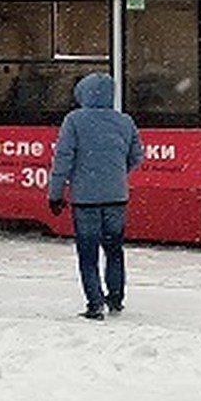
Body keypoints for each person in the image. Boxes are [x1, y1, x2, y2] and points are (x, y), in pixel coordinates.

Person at [48, 72, 144, 320]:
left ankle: (95, 304)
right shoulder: (125, 121)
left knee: (88, 254)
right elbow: (136, 157)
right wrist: (116, 174)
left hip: (86, 199)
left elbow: (63, 160)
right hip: (117, 197)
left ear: (83, 93)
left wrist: (56, 193)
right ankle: (115, 299)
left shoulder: (74, 121)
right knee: (114, 250)